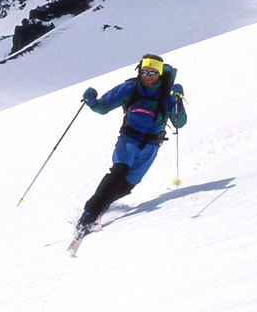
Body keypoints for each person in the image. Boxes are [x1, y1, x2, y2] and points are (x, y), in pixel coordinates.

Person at [77, 54, 186, 232]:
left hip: (151, 146)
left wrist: (177, 104)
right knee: (118, 173)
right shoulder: (130, 88)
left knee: (127, 186)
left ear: (159, 73)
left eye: (153, 73)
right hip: (129, 140)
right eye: (145, 72)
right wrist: (92, 102)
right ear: (139, 70)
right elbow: (103, 107)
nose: (148, 77)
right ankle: (88, 215)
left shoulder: (167, 94)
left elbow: (179, 123)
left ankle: (103, 205)